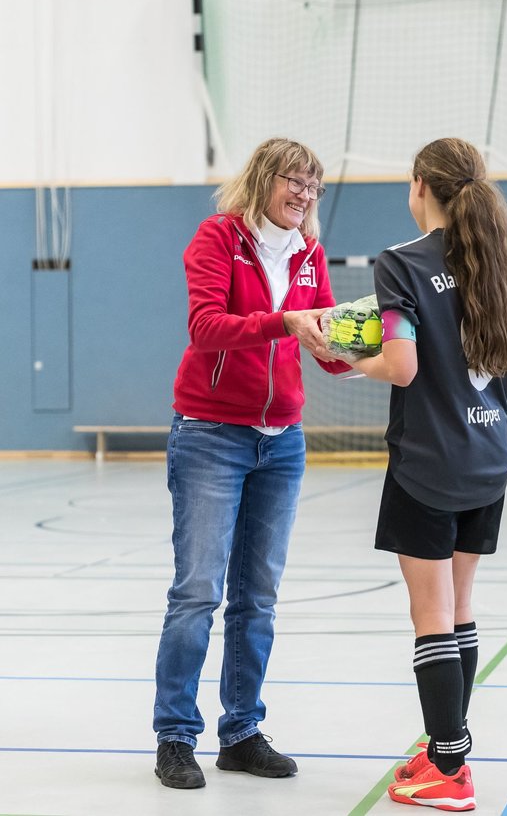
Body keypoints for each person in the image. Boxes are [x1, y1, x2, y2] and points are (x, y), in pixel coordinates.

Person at [342, 138, 507, 812]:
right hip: (489, 459)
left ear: (420, 184)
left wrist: (344, 358)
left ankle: (450, 771)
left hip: (428, 462)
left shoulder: (401, 264)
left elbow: (400, 365)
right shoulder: (499, 267)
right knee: (459, 609)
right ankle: (447, 747)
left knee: (430, 615)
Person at [153, 138, 351, 789]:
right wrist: (285, 321)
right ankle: (177, 737)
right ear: (264, 180)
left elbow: (321, 348)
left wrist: (361, 337)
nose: (304, 195)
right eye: (294, 181)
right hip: (211, 434)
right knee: (197, 592)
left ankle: (240, 732)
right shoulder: (218, 238)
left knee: (257, 598)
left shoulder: (309, 254)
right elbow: (205, 326)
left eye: (313, 187)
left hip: (281, 441)